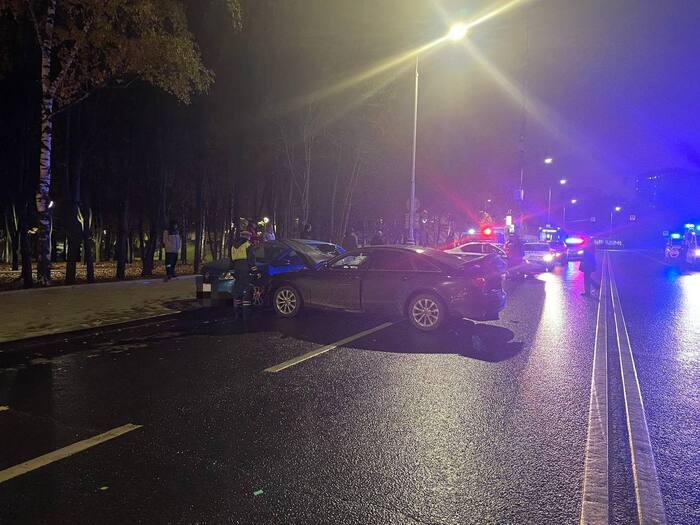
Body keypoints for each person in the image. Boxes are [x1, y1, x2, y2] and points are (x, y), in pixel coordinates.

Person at [231, 230, 259, 321]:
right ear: (248, 237)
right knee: (246, 291)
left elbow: (231, 260)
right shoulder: (248, 245)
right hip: (245, 270)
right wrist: (256, 272)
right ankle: (246, 315)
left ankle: (237, 314)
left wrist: (233, 271)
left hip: (236, 270)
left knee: (238, 291)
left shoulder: (233, 246)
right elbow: (251, 260)